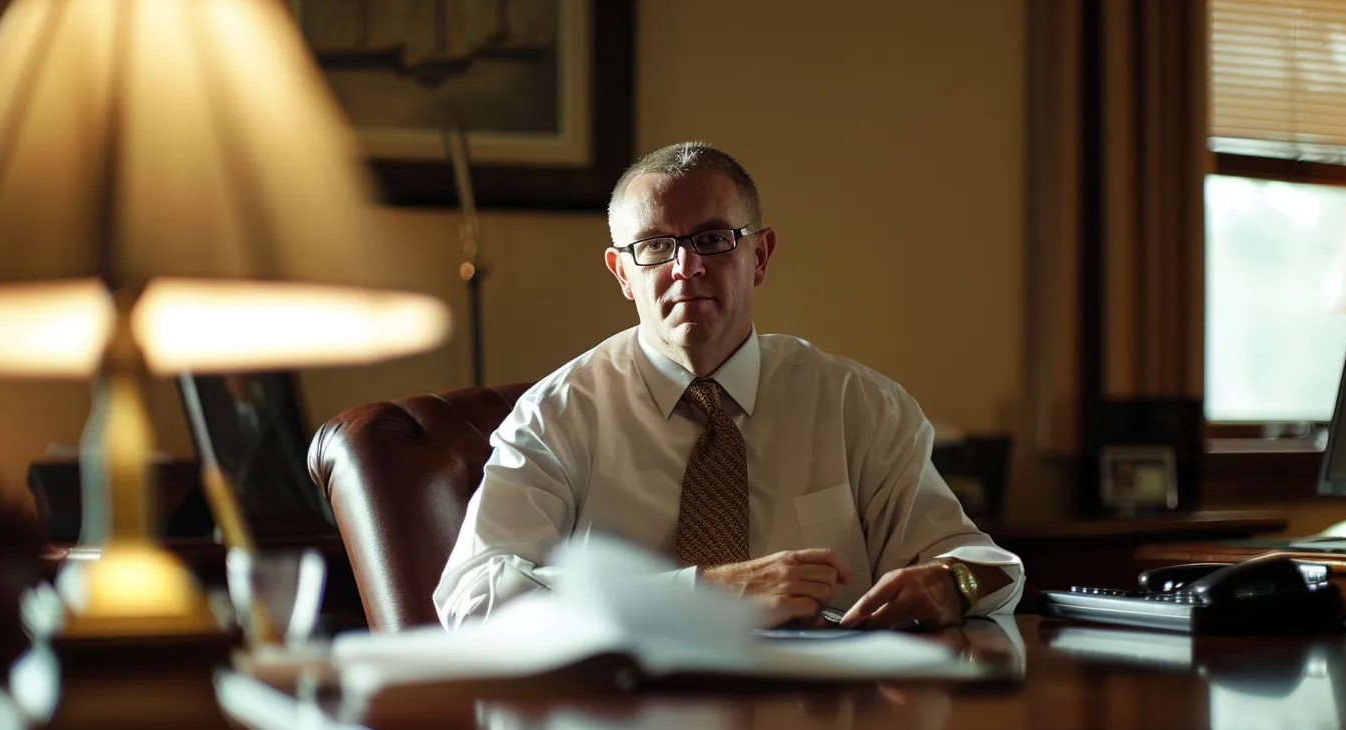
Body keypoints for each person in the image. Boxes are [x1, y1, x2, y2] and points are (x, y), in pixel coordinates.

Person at [434, 141, 1024, 630]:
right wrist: (708, 593)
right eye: (654, 247)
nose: (685, 268)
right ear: (622, 275)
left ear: (760, 256)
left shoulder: (858, 406)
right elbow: (471, 597)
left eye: (713, 239)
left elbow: (987, 564)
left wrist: (954, 583)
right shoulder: (557, 415)